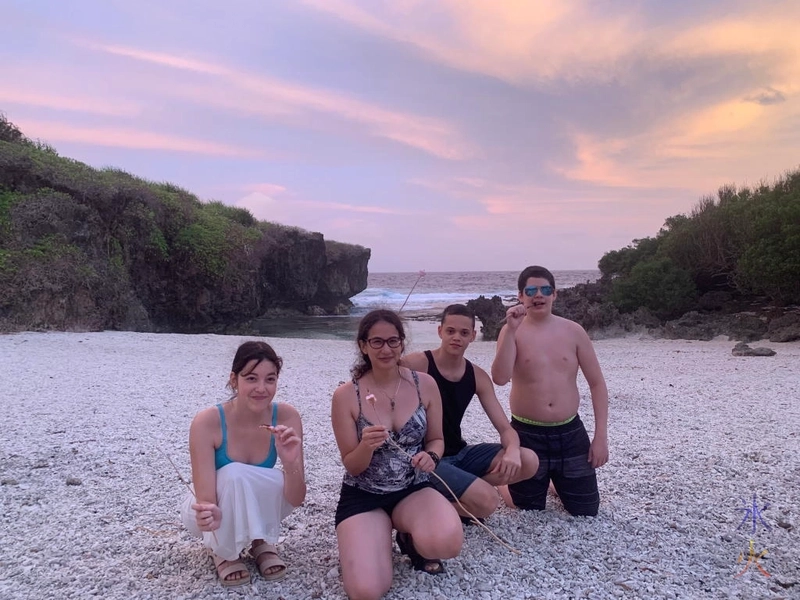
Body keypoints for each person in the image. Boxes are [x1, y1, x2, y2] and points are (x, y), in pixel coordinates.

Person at [331, 309, 462, 600]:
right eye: (376, 342)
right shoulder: (346, 396)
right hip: (364, 495)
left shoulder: (424, 385)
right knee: (367, 591)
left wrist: (432, 457)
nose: (386, 349)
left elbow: (437, 439)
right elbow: (352, 466)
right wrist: (365, 446)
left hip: (412, 489)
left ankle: (407, 536)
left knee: (447, 543)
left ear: (402, 343)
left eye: (393, 341)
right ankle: (373, 536)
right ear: (363, 346)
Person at [180, 341, 306, 587]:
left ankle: (260, 540)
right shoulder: (207, 421)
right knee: (235, 473)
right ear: (234, 379)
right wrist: (210, 515)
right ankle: (224, 551)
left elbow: (297, 498)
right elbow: (205, 498)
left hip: (253, 501)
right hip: (208, 510)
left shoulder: (286, 416)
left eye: (270, 379)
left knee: (281, 478)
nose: (262, 388)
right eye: (251, 378)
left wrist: (290, 462)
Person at [401, 304, 539, 522]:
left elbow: (504, 427)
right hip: (426, 458)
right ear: (440, 332)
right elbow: (380, 375)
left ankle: (456, 491)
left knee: (528, 459)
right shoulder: (418, 364)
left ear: (473, 336)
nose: (457, 337)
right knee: (486, 504)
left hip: (460, 453)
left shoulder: (477, 376)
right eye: (450, 331)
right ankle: (433, 499)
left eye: (464, 333)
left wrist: (512, 450)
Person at [491, 266, 609, 517]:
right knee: (524, 507)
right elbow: (500, 378)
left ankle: (553, 481)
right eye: (531, 290)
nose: (538, 295)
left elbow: (597, 384)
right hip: (527, 432)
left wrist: (600, 438)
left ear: (554, 294)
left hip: (570, 432)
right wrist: (511, 330)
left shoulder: (574, 331)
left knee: (586, 510)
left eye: (545, 289)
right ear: (520, 296)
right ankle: (503, 483)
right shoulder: (511, 331)